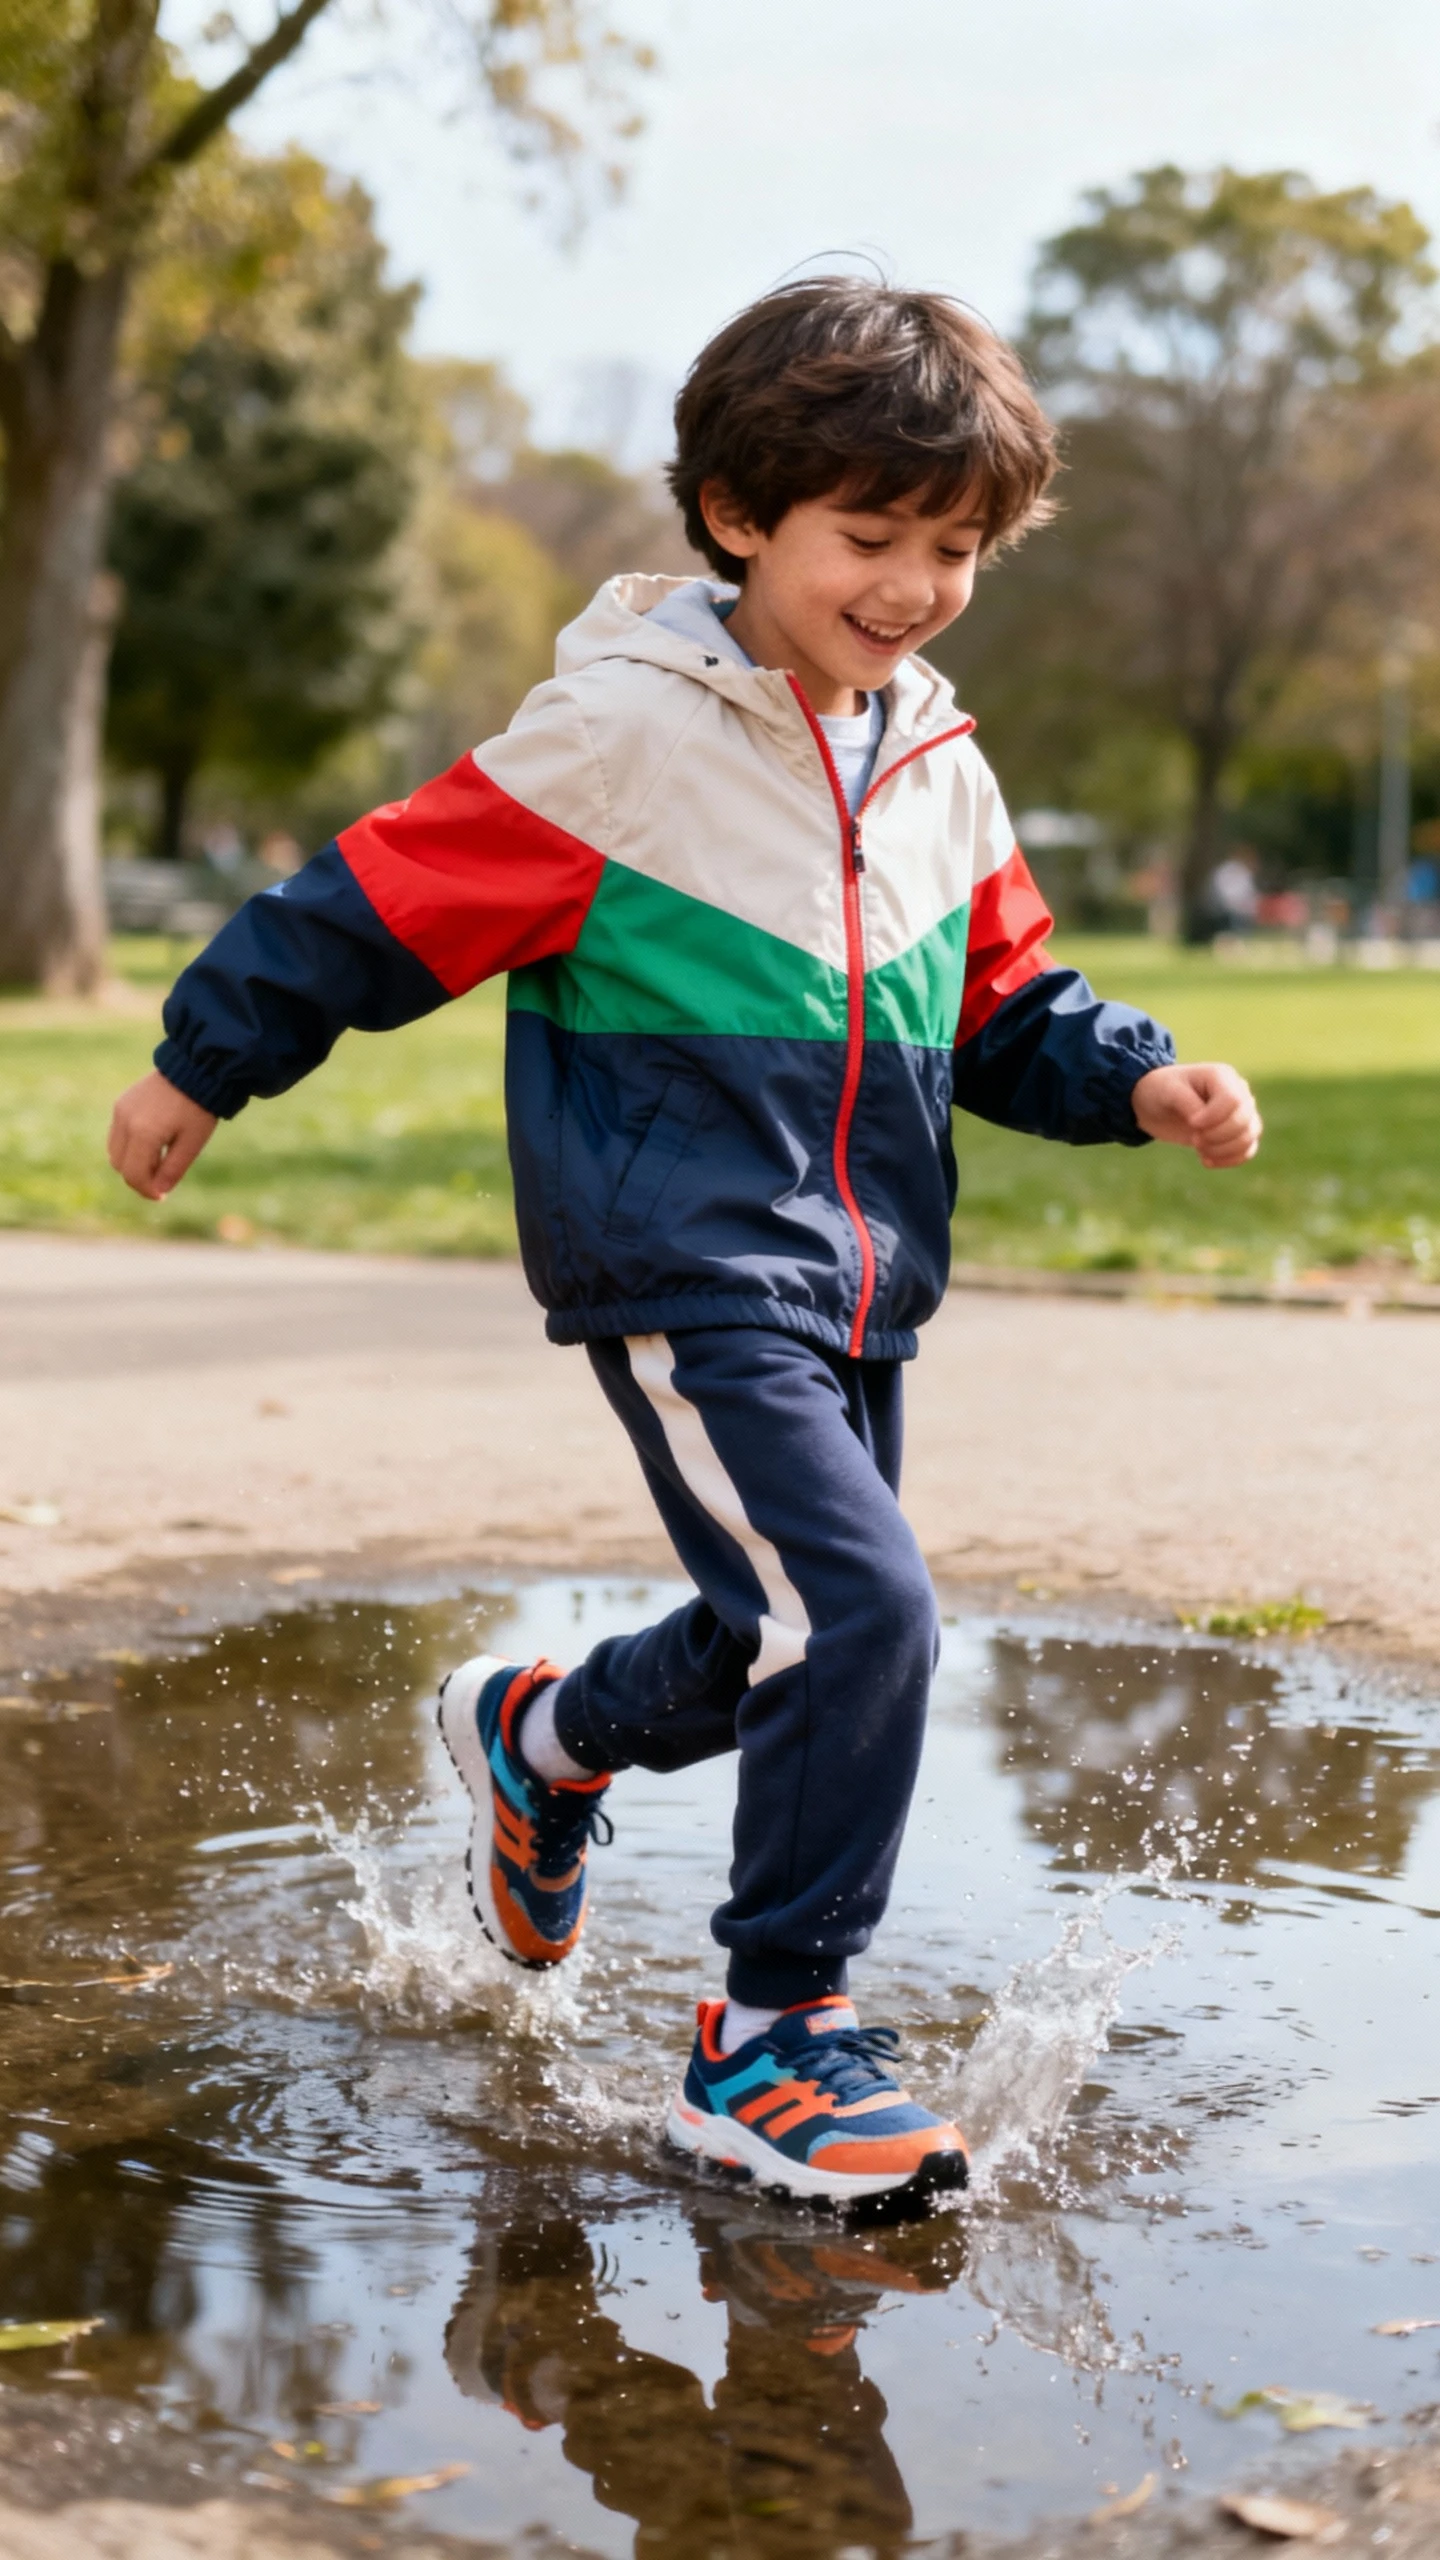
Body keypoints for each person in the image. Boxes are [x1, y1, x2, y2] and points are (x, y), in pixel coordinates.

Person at [108, 281, 1262, 2211]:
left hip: (857, 1275)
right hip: (684, 1264)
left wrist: (1133, 1077)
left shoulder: (938, 766)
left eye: (954, 547)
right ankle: (773, 2038)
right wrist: (200, 1064)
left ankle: (540, 1742)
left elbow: (1003, 1005)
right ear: (737, 514)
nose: (910, 586)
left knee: (765, 1641)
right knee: (862, 1613)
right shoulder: (621, 738)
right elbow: (373, 902)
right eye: (867, 538)